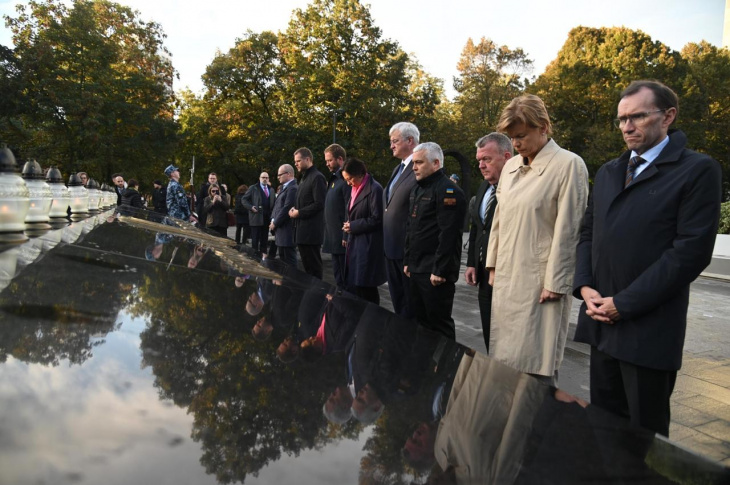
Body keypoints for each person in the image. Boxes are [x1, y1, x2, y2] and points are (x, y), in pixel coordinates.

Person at [573, 80, 722, 437]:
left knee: (645, 445)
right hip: (601, 324)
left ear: (668, 116)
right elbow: (588, 233)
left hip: (648, 332)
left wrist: (623, 303)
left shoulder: (697, 170)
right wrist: (585, 286)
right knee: (604, 432)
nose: (627, 127)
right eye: (622, 119)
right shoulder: (610, 172)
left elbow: (690, 252)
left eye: (638, 116)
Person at [485, 94, 589, 386]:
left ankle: (538, 426)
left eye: (521, 136)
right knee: (505, 364)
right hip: (508, 276)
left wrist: (557, 282)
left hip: (539, 282)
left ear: (543, 127)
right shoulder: (511, 166)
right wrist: (492, 266)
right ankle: (511, 426)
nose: (515, 143)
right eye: (511, 137)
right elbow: (499, 219)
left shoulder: (569, 164)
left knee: (535, 365)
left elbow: (570, 228)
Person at [404, 142, 466, 339]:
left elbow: (449, 235)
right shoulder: (417, 189)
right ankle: (427, 367)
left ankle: (446, 367)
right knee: (421, 322)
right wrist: (408, 261)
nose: (414, 167)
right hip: (417, 268)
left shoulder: (448, 191)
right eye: (413, 163)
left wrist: (440, 270)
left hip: (434, 273)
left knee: (439, 324)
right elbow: (411, 228)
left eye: (419, 163)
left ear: (436, 163)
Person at [464, 133, 512, 353]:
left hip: (509, 277)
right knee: (489, 334)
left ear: (507, 157)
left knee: (509, 340)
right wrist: (472, 262)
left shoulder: (518, 189)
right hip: (484, 277)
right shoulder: (484, 187)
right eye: (479, 161)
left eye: (487, 160)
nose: (481, 166)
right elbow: (477, 227)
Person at [383, 122, 419, 318]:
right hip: (391, 248)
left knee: (409, 306)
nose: (392, 146)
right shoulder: (398, 169)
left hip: (406, 250)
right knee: (398, 302)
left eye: (395, 141)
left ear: (410, 140)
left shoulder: (420, 167)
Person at [342, 158, 386, 304]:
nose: (348, 183)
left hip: (368, 245)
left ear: (360, 174)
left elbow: (377, 218)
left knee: (366, 287)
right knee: (356, 285)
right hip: (355, 243)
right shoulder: (354, 188)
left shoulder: (375, 189)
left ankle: (373, 320)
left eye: (350, 179)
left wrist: (354, 226)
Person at [289, 147, 326, 279]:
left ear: (308, 159)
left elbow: (319, 204)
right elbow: (304, 202)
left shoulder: (317, 178)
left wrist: (299, 212)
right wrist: (294, 209)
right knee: (308, 270)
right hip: (302, 232)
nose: (296, 164)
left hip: (311, 233)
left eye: (298, 161)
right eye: (295, 162)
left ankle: (317, 297)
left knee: (314, 270)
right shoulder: (304, 178)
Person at [322, 144, 349, 287]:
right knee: (338, 278)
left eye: (329, 160)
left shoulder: (346, 179)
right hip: (333, 237)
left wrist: (345, 235)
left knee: (345, 279)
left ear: (340, 159)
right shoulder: (334, 179)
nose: (327, 164)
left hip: (342, 238)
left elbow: (348, 208)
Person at [269, 164, 298, 267]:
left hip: (287, 232)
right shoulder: (283, 188)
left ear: (288, 174)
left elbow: (287, 208)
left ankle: (292, 282)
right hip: (281, 232)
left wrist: (275, 222)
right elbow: (277, 206)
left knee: (289, 262)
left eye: (280, 174)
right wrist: (272, 220)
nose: (278, 177)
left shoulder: (293, 188)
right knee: (283, 261)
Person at [242, 172, 275, 256]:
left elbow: (274, 203)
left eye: (266, 178)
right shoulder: (253, 188)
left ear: (268, 179)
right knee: (255, 241)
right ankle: (254, 258)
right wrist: (251, 207)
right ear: (259, 178)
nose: (265, 179)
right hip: (256, 218)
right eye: (263, 177)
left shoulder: (271, 189)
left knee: (264, 240)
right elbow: (244, 199)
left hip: (267, 218)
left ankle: (263, 259)